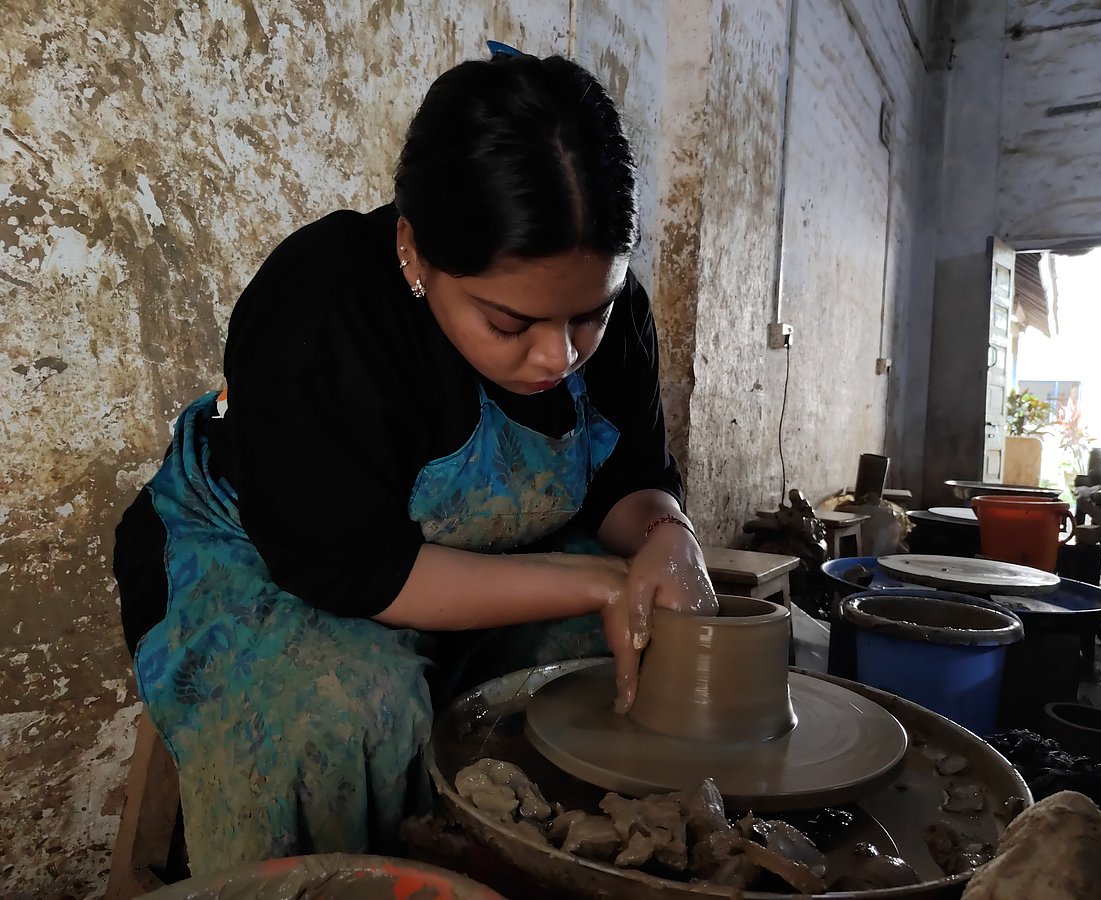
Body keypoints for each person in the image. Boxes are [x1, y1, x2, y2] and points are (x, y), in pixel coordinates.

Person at [112, 49, 717, 875]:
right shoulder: (324, 309)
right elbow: (353, 569)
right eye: (510, 324)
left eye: (590, 317)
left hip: (469, 555)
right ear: (413, 250)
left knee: (616, 659)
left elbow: (624, 478)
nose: (559, 355)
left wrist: (665, 532)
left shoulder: (610, 313)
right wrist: (602, 582)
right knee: (346, 712)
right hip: (261, 551)